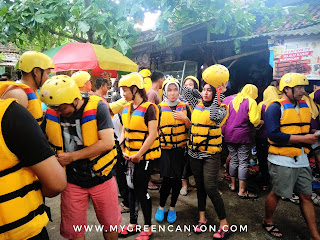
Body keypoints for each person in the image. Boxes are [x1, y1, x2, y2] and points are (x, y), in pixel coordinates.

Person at [40, 75, 120, 240]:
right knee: (74, 231)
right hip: (71, 180)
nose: (57, 112)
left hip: (101, 177)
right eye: (54, 108)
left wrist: (72, 157)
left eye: (61, 108)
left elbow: (107, 143)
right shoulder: (53, 112)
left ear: (73, 99)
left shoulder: (98, 107)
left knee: (110, 224)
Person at [263, 73, 320, 239]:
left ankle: (315, 235)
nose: (303, 91)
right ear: (287, 89)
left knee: (306, 196)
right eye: (299, 87)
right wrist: (305, 138)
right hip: (282, 159)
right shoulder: (274, 107)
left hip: (301, 158)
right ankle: (267, 220)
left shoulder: (304, 106)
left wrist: (312, 134)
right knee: (278, 193)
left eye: (304, 87)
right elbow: (274, 135)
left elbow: (301, 128)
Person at [0, 98, 66, 240]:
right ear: (36, 73)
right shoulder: (10, 114)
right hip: (22, 231)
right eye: (48, 73)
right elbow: (56, 183)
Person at [185, 80, 230, 239]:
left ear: (215, 93)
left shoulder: (222, 109)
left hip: (210, 154)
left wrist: (220, 94)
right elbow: (186, 91)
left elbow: (213, 116)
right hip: (194, 152)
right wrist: (196, 88)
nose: (205, 93)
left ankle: (224, 223)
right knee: (200, 187)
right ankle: (201, 219)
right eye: (203, 90)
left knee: (211, 187)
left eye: (209, 90)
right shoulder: (196, 104)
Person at [118, 73, 160, 240]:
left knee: (142, 191)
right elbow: (124, 130)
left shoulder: (149, 108)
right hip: (129, 156)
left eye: (125, 90)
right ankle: (133, 224)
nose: (123, 93)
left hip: (145, 157)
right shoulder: (126, 108)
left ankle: (148, 227)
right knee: (130, 190)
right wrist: (122, 148)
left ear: (135, 89)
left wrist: (139, 154)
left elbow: (152, 135)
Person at [155, 78, 191, 224]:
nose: (172, 93)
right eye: (169, 90)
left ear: (179, 90)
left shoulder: (185, 107)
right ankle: (161, 206)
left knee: (176, 180)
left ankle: (172, 207)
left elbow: (191, 128)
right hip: (164, 150)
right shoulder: (158, 108)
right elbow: (154, 130)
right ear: (164, 91)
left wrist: (185, 119)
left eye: (175, 89)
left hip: (179, 150)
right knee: (166, 180)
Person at [224, 84, 261, 199]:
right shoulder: (251, 101)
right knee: (243, 162)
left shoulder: (228, 99)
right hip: (243, 136)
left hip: (229, 134)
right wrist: (258, 123)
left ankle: (233, 185)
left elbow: (222, 117)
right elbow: (254, 120)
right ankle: (241, 190)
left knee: (234, 159)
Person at [0, 51, 55, 124]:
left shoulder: (30, 91)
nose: (48, 78)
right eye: (47, 73)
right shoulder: (18, 94)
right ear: (36, 71)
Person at [179, 75, 201, 196]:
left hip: (197, 136)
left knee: (195, 161)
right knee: (184, 161)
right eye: (185, 85)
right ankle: (184, 185)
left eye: (190, 85)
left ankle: (197, 183)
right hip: (184, 136)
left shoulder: (199, 102)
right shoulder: (180, 102)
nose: (187, 87)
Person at [256, 86, 279, 191]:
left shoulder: (262, 105)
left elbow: (257, 120)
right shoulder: (279, 105)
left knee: (262, 159)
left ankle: (264, 183)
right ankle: (275, 182)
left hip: (262, 136)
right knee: (274, 160)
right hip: (275, 137)